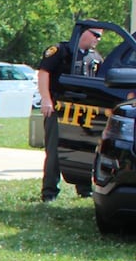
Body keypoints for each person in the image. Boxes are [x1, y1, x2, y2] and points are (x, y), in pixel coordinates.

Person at [37, 26, 102, 200]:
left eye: (100, 36)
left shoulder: (95, 57)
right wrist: (46, 99)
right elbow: (44, 73)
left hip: (84, 111)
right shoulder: (60, 51)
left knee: (83, 150)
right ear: (84, 32)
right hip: (59, 107)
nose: (98, 39)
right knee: (54, 150)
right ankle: (49, 192)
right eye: (95, 35)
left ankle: (84, 188)